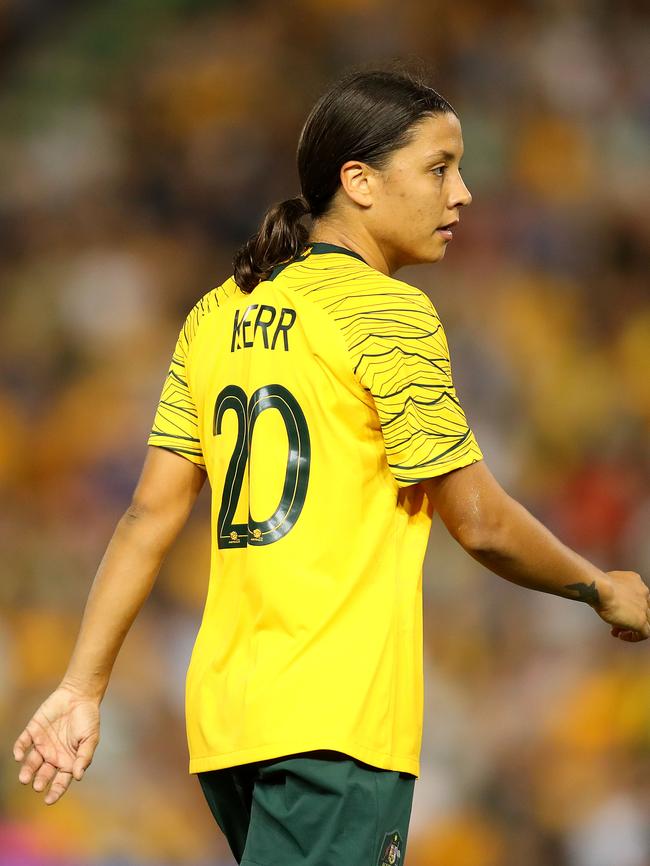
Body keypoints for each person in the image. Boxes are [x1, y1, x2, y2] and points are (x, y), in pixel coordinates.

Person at [13, 67, 650, 866]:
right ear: (359, 181)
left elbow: (149, 514)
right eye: (440, 167)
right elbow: (482, 525)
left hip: (229, 726)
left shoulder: (218, 312)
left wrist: (81, 687)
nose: (464, 195)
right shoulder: (388, 313)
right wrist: (599, 587)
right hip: (335, 725)